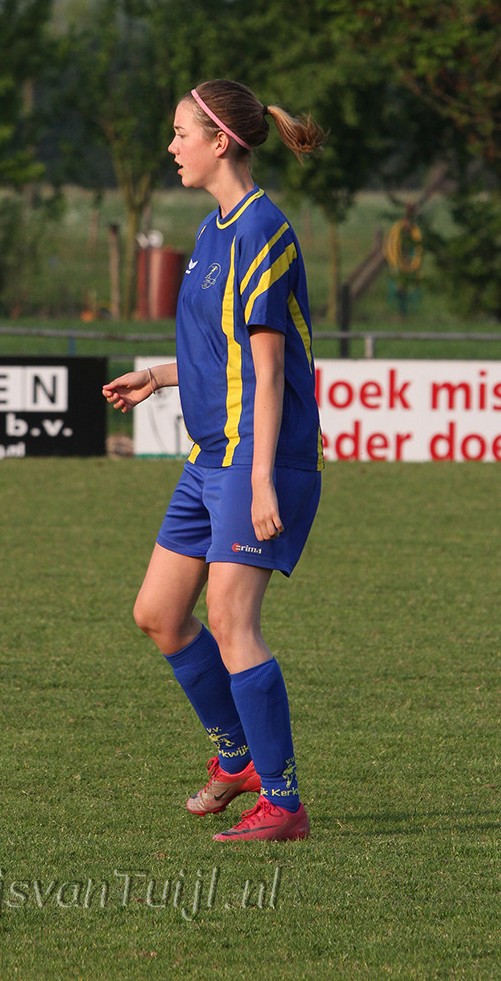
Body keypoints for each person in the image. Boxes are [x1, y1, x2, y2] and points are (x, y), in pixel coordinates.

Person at [102, 79, 325, 842]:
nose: (170, 147)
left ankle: (284, 804)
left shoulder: (262, 230)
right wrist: (157, 375)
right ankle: (237, 760)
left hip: (258, 459)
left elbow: (266, 369)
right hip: (212, 458)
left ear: (219, 141)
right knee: (159, 615)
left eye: (179, 133)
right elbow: (215, 351)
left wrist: (259, 480)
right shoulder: (211, 229)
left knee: (231, 619)